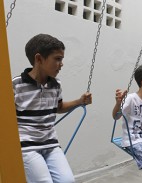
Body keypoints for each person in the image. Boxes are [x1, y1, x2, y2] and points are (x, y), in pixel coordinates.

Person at [13, 34, 92, 183]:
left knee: (68, 181)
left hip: (50, 143)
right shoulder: (16, 85)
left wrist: (79, 101)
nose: (61, 64)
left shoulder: (56, 84)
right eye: (57, 59)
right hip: (26, 146)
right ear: (39, 59)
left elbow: (58, 107)